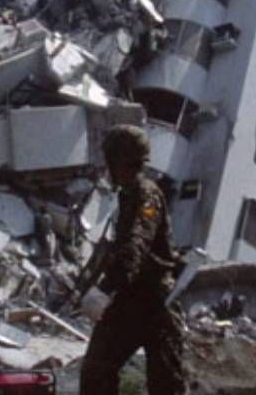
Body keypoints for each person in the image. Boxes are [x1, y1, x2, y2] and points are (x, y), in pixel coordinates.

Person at [79, 125, 185, 395]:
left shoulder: (146, 195)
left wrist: (105, 290)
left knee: (165, 385)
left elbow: (135, 246)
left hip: (154, 301)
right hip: (135, 297)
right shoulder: (129, 193)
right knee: (97, 370)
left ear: (120, 161)